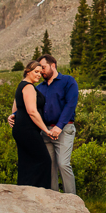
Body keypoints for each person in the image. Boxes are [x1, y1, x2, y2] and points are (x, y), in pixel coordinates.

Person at [6, 61, 53, 188]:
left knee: (26, 161)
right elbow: (32, 111)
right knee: (44, 160)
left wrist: (13, 116)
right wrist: (46, 130)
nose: (39, 74)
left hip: (21, 129)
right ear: (28, 72)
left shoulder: (21, 86)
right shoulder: (29, 87)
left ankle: (24, 191)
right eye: (36, 72)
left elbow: (15, 108)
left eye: (40, 72)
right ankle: (39, 194)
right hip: (27, 129)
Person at [37, 54, 78, 195]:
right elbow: (30, 106)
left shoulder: (68, 81)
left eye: (43, 67)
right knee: (50, 167)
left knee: (63, 164)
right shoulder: (39, 88)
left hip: (64, 129)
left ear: (52, 65)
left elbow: (70, 104)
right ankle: (54, 202)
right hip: (45, 131)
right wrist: (14, 115)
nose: (41, 71)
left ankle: (72, 202)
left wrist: (59, 126)